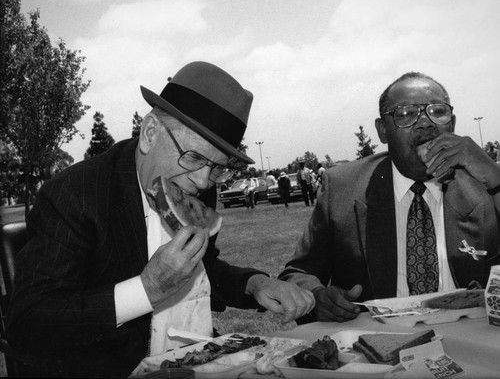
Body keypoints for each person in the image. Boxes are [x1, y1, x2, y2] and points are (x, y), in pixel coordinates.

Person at [6, 61, 315, 377]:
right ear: (150, 133)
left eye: (217, 167)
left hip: (193, 361)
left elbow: (200, 268)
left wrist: (254, 284)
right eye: (193, 157)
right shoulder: (75, 195)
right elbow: (29, 322)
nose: (203, 181)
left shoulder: (193, 185)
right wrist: (148, 287)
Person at [279, 71, 500, 324]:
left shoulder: (483, 183)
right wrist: (319, 297)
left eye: (437, 111)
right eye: (405, 114)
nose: (426, 123)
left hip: (474, 339)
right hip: (379, 341)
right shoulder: (343, 187)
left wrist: (495, 177)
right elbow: (298, 273)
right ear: (383, 131)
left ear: (452, 123)